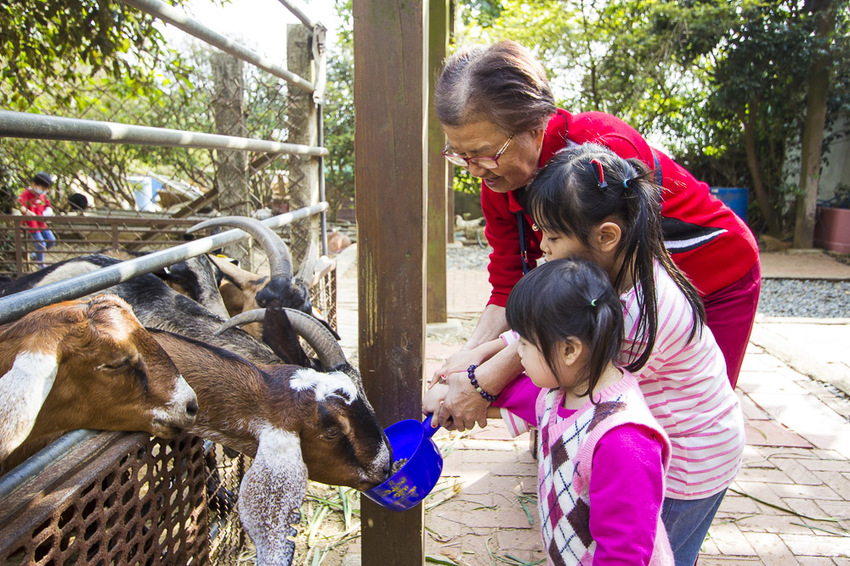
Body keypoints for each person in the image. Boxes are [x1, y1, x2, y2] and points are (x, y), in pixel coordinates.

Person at [428, 144, 745, 566]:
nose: (543, 248)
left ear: (606, 235)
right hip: (646, 436)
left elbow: (550, 375)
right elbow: (543, 340)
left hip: (692, 457)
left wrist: (477, 392)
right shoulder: (606, 281)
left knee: (647, 547)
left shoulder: (638, 318)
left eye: (555, 237)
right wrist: (472, 365)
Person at [429, 41, 760, 430]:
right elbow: (508, 285)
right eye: (459, 155)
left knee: (684, 413)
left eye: (484, 153)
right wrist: (465, 363)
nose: (474, 170)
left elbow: (587, 302)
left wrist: (483, 386)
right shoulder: (498, 183)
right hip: (623, 292)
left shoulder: (601, 151)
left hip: (716, 273)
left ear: (536, 127)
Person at [505, 257, 673, 565]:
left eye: (525, 343)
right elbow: (527, 401)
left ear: (569, 350)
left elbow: (624, 552)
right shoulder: (560, 393)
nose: (517, 353)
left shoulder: (621, 441)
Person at [18, 171, 57, 268]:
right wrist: (29, 213)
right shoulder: (26, 194)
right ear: (34, 184)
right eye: (42, 188)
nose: (43, 190)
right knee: (41, 242)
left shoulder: (43, 195)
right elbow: (20, 205)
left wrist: (48, 212)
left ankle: (36, 255)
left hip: (41, 223)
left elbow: (48, 206)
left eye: (45, 188)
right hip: (31, 224)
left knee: (51, 240)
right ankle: (40, 264)